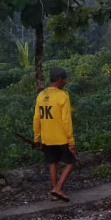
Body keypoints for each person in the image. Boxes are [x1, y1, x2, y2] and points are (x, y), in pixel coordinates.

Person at [33, 67, 76, 202]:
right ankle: (57, 188)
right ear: (58, 80)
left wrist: (37, 137)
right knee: (71, 162)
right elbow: (66, 120)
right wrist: (71, 141)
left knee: (53, 163)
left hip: (46, 137)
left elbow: (36, 118)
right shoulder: (62, 95)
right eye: (64, 79)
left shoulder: (41, 95)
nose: (65, 82)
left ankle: (54, 193)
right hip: (61, 137)